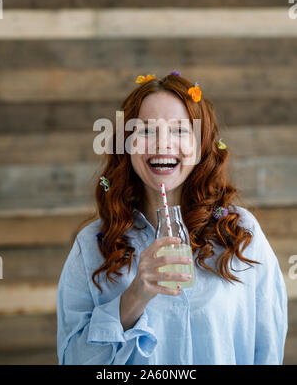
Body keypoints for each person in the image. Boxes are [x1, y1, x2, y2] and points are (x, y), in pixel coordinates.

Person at [56, 72, 288, 365]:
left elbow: (266, 350)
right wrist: (133, 299)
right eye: (147, 131)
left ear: (201, 145)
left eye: (179, 130)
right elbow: (72, 360)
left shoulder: (241, 233)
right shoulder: (91, 246)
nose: (162, 143)